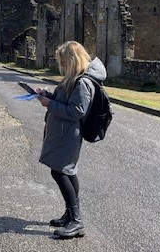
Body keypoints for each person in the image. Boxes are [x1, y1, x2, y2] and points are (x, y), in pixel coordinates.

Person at [35, 40, 107, 239]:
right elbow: (65, 100)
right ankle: (70, 214)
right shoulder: (74, 78)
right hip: (62, 132)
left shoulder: (83, 82)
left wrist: (48, 103)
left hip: (68, 134)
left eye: (64, 61)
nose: (62, 65)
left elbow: (76, 111)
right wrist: (46, 95)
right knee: (67, 172)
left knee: (60, 173)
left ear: (73, 60)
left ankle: (76, 221)